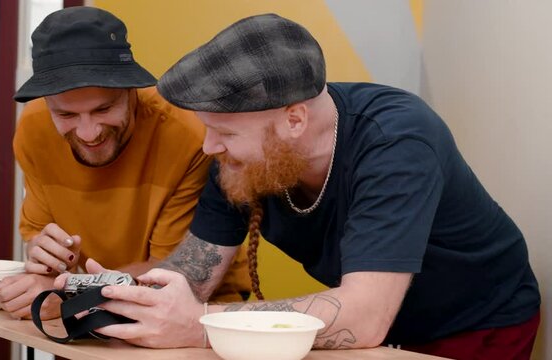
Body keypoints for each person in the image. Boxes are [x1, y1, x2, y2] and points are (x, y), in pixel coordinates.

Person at [54, 13, 541, 359]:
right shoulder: (240, 158)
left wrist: (201, 326)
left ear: (293, 120)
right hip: (378, 327)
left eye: (224, 132)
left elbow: (364, 317)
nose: (208, 147)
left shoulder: (399, 141)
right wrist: (109, 292)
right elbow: (192, 275)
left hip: (476, 324)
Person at [0, 6, 250, 320]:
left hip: (194, 314)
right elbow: (39, 238)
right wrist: (47, 260)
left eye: (103, 109)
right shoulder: (33, 130)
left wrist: (70, 291)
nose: (89, 133)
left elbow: (175, 275)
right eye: (66, 114)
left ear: (132, 91)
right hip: (84, 312)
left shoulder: (189, 136)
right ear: (47, 105)